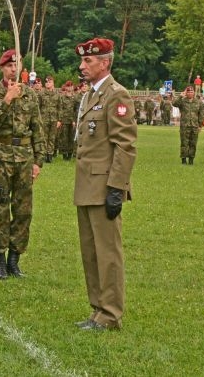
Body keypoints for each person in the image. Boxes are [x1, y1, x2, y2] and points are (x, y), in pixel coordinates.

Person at [72, 37, 136, 332]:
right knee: (91, 252)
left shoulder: (116, 95)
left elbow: (125, 145)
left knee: (108, 253)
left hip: (104, 186)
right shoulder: (90, 95)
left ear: (105, 63)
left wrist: (116, 188)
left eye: (88, 61)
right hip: (86, 184)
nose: (82, 66)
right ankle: (98, 309)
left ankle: (110, 313)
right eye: (82, 60)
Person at [0, 49, 45, 279]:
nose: (13, 69)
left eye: (17, 65)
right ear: (2, 68)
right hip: (1, 155)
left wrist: (38, 161)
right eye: (9, 65)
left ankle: (14, 259)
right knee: (0, 208)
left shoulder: (29, 95)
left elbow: (37, 129)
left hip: (25, 156)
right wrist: (7, 100)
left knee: (23, 210)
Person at [173, 86, 204, 164]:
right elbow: (174, 104)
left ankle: (191, 159)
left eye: (191, 92)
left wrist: (200, 125)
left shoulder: (199, 102)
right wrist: (180, 96)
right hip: (184, 126)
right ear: (186, 93)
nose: (190, 93)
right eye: (188, 92)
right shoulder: (182, 101)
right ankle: (183, 159)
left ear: (194, 93)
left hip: (195, 126)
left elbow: (201, 114)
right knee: (184, 143)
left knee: (193, 143)